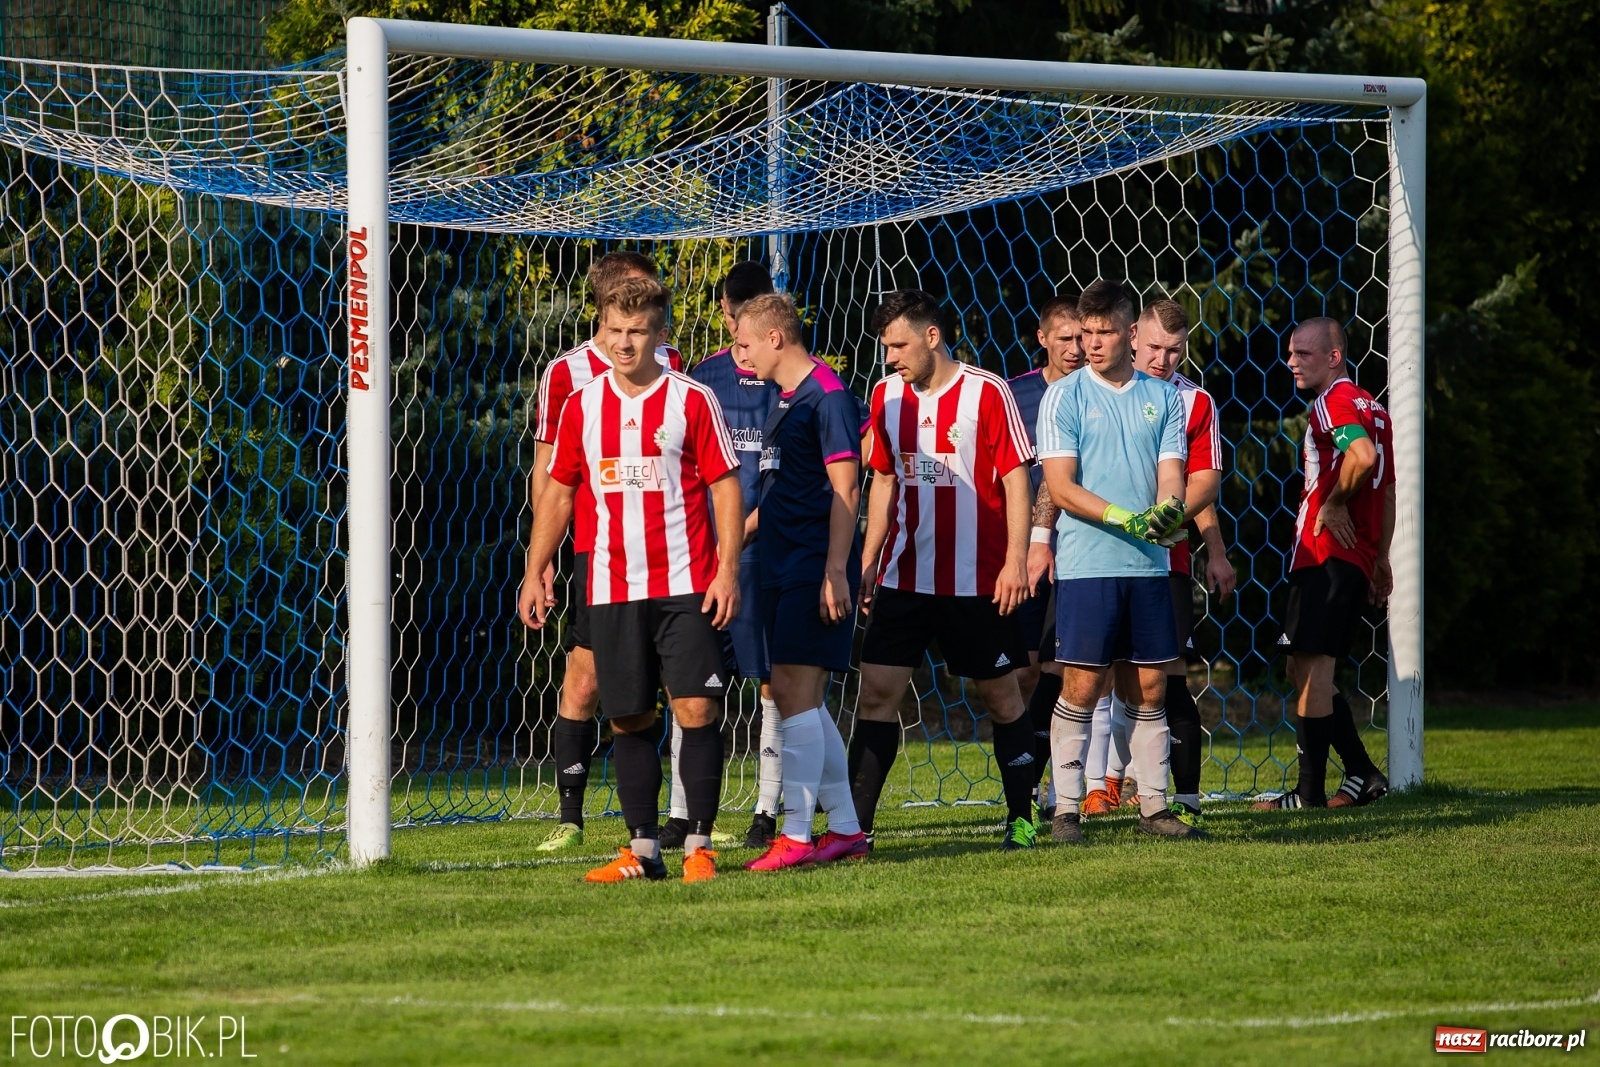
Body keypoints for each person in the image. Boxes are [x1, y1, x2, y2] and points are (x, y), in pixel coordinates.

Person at [524, 276, 744, 883]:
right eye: (614, 331)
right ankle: (642, 850)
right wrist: (533, 569)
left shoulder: (692, 400)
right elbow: (560, 493)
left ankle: (699, 846)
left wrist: (726, 570)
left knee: (696, 708)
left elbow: (726, 487)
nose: (625, 343)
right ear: (600, 329)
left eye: (637, 332)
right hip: (611, 586)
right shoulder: (581, 405)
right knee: (628, 719)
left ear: (660, 333)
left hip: (684, 581)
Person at [847, 289, 1042, 851]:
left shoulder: (987, 391)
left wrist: (1013, 561)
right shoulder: (885, 395)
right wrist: (868, 559)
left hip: (977, 581)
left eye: (899, 345)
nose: (890, 359)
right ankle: (856, 830)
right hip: (903, 578)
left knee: (1003, 699)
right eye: (886, 348)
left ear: (932, 336)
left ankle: (1021, 821)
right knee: (876, 696)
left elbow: (1015, 480)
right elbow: (883, 478)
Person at [519, 251, 682, 854]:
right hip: (597, 548)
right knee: (586, 680)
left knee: (678, 681)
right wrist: (545, 556)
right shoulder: (566, 375)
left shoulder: (672, 366)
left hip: (669, 552)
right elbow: (548, 471)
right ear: (609, 301)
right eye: (635, 301)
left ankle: (680, 817)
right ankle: (570, 815)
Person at [1036, 279, 1203, 843]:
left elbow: (1172, 471)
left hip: (1150, 567)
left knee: (1150, 687)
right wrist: (1124, 519)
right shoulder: (1065, 396)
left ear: (1130, 332)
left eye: (1104, 333)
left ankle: (1154, 806)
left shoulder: (1166, 399)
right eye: (1086, 333)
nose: (1092, 344)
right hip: (1087, 565)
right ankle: (1066, 809)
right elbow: (1059, 487)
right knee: (1081, 686)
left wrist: (1168, 508)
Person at [734, 293, 870, 870]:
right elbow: (783, 487)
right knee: (800, 698)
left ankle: (795, 833)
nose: (738, 353)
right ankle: (843, 829)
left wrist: (836, 571)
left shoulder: (827, 396)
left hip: (813, 563)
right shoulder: (786, 399)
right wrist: (738, 534)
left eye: (743, 341)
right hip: (779, 559)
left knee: (793, 692)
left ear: (774, 338)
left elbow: (846, 487)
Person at [663, 261, 782, 851]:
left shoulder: (790, 378)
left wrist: (749, 531)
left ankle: (766, 807)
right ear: (725, 314)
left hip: (762, 556)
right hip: (699, 557)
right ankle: (681, 812)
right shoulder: (701, 381)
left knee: (770, 681)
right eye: (736, 317)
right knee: (692, 685)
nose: (743, 329)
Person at [1254, 317, 1393, 811]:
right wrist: (1379, 558)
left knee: (1312, 672)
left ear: (1334, 357)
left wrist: (1332, 504)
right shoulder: (1373, 407)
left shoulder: (1331, 402)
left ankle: (1307, 793)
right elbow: (1389, 492)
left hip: (1327, 554)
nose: (1291, 362)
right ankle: (1362, 773)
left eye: (1303, 354)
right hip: (1352, 557)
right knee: (1301, 666)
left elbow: (1361, 457)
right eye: (1291, 353)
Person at [1124, 298, 1237, 829]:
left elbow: (1202, 483)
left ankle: (1184, 801)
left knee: (1168, 678)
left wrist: (1212, 549)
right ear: (1131, 338)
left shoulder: (1196, 403)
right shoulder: (1101, 390)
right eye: (1154, 348)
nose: (1163, 360)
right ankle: (1059, 800)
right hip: (1094, 559)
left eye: (1174, 351)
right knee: (1069, 676)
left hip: (1164, 562)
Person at [1008, 294, 1087, 819]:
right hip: (1026, 555)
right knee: (1023, 672)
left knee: (1068, 667)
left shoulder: (1098, 393)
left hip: (1081, 552)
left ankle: (1047, 782)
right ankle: (1029, 773)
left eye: (1084, 338)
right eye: (1065, 338)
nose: (1077, 349)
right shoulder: (1015, 396)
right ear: (1043, 339)